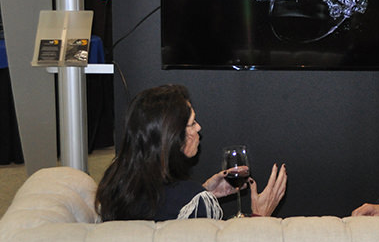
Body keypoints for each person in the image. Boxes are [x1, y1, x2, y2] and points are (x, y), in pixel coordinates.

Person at [95, 84, 286, 221]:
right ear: (174, 137)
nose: (199, 128)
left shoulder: (114, 185)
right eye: (192, 123)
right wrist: (260, 217)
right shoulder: (192, 201)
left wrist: (204, 192)